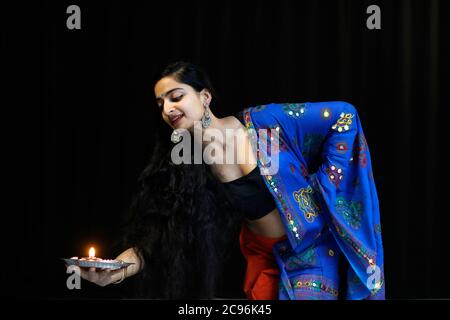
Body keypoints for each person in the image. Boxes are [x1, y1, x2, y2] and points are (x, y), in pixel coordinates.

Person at [79, 61, 385, 300]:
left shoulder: (263, 124)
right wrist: (115, 272)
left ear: (205, 97)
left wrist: (326, 187)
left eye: (176, 97)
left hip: (310, 248)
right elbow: (156, 238)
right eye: (160, 104)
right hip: (264, 257)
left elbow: (344, 117)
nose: (168, 108)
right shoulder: (187, 163)